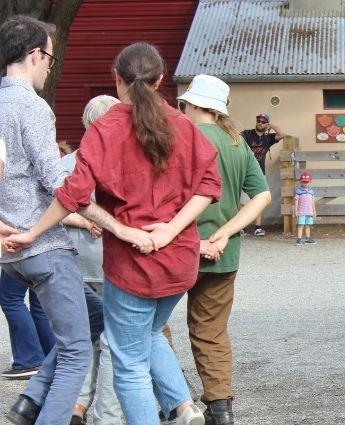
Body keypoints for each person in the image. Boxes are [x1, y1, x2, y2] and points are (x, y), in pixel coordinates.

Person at [5, 42, 222, 423]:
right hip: (180, 264)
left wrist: (37, 231)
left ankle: (180, 407)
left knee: (130, 366)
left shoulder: (107, 128)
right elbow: (209, 185)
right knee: (148, 335)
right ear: (159, 80)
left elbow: (73, 195)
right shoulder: (184, 126)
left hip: (133, 270)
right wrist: (171, 230)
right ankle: (184, 407)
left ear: (116, 78)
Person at [0, 15, 105, 424]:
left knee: (94, 314)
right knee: (78, 349)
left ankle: (29, 402)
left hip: (11, 249)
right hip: (44, 245)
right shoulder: (32, 107)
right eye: (49, 56)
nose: (50, 65)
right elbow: (56, 178)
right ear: (32, 55)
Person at [178, 73, 271, 425]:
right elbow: (261, 196)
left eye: (183, 104)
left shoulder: (181, 137)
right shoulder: (236, 142)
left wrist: (200, 238)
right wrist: (224, 234)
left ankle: (175, 397)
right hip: (225, 253)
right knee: (211, 331)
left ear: (193, 104)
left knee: (152, 326)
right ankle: (221, 411)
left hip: (178, 248)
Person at [63, 95, 124, 425]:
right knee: (114, 340)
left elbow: (51, 209)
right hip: (112, 265)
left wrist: (80, 219)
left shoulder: (66, 163)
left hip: (73, 264)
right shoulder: (119, 164)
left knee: (81, 337)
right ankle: (107, 414)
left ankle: (77, 404)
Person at [0, 273, 55, 380]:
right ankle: (51, 358)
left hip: (21, 258)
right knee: (40, 302)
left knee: (11, 299)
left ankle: (30, 360)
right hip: (48, 258)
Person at [240, 112, 283, 236]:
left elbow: (282, 134)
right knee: (243, 201)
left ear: (267, 124)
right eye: (258, 120)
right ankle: (241, 227)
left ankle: (257, 227)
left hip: (260, 173)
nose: (260, 123)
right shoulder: (247, 134)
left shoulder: (268, 138)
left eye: (263, 122)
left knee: (259, 200)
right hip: (245, 171)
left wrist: (271, 125)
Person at [294, 171, 317, 245]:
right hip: (301, 212)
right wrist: (296, 211)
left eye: (307, 182)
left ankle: (307, 239)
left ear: (310, 182)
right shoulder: (298, 191)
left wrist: (314, 211)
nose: (305, 183)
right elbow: (296, 201)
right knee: (300, 225)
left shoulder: (311, 191)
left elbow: (312, 201)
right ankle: (299, 239)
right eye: (304, 182)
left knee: (308, 226)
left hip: (309, 212)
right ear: (301, 182)